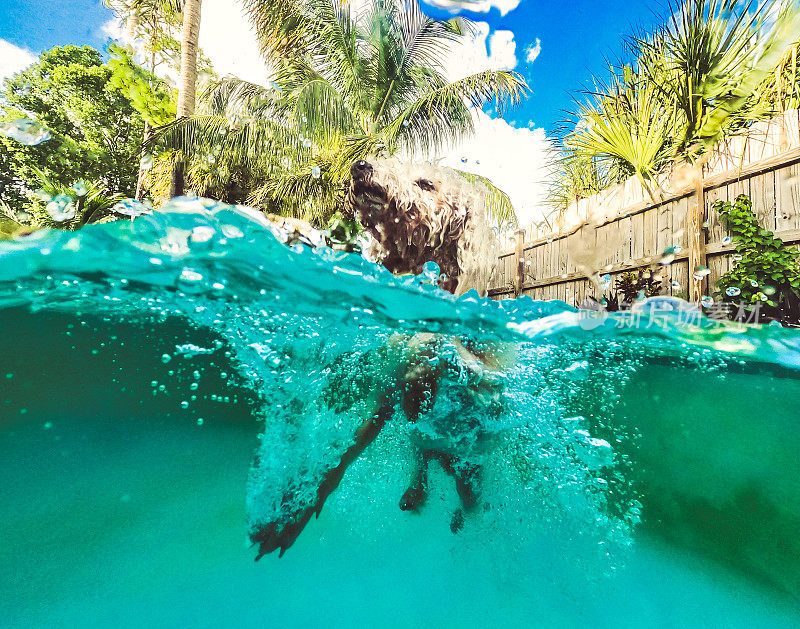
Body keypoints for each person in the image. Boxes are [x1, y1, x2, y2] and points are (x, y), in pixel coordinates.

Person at [252, 159, 506, 559]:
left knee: (466, 482)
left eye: (425, 186)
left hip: (465, 424)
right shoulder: (406, 301)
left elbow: (377, 413)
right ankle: (420, 474)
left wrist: (313, 494)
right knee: (418, 419)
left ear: (454, 224)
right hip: (423, 399)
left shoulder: (452, 321)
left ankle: (469, 521)